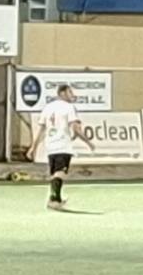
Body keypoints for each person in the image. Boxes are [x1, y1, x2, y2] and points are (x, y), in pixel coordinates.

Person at [26, 83, 95, 211]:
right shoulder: (69, 107)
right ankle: (54, 200)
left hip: (50, 145)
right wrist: (88, 142)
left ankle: (55, 199)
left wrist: (33, 147)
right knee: (60, 173)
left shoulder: (48, 108)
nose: (72, 95)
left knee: (55, 173)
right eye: (70, 92)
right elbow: (75, 128)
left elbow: (41, 129)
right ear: (62, 93)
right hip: (63, 144)